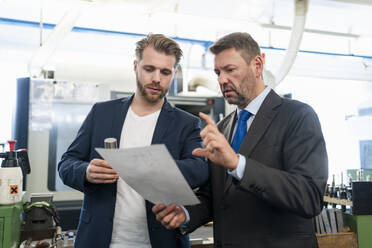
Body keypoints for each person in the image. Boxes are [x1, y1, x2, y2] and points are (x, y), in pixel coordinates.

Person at [153, 32, 328, 248]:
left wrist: (238, 164)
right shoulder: (223, 128)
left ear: (257, 65)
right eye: (218, 72)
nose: (222, 80)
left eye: (230, 70)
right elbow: (217, 197)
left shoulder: (297, 116)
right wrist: (186, 213)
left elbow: (308, 196)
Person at [58, 34, 209, 248]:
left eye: (165, 72)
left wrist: (155, 166)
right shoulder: (101, 113)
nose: (157, 78)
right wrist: (86, 172)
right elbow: (66, 163)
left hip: (160, 240)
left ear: (173, 74)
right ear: (136, 66)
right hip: (98, 239)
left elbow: (200, 169)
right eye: (149, 69)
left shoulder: (187, 124)